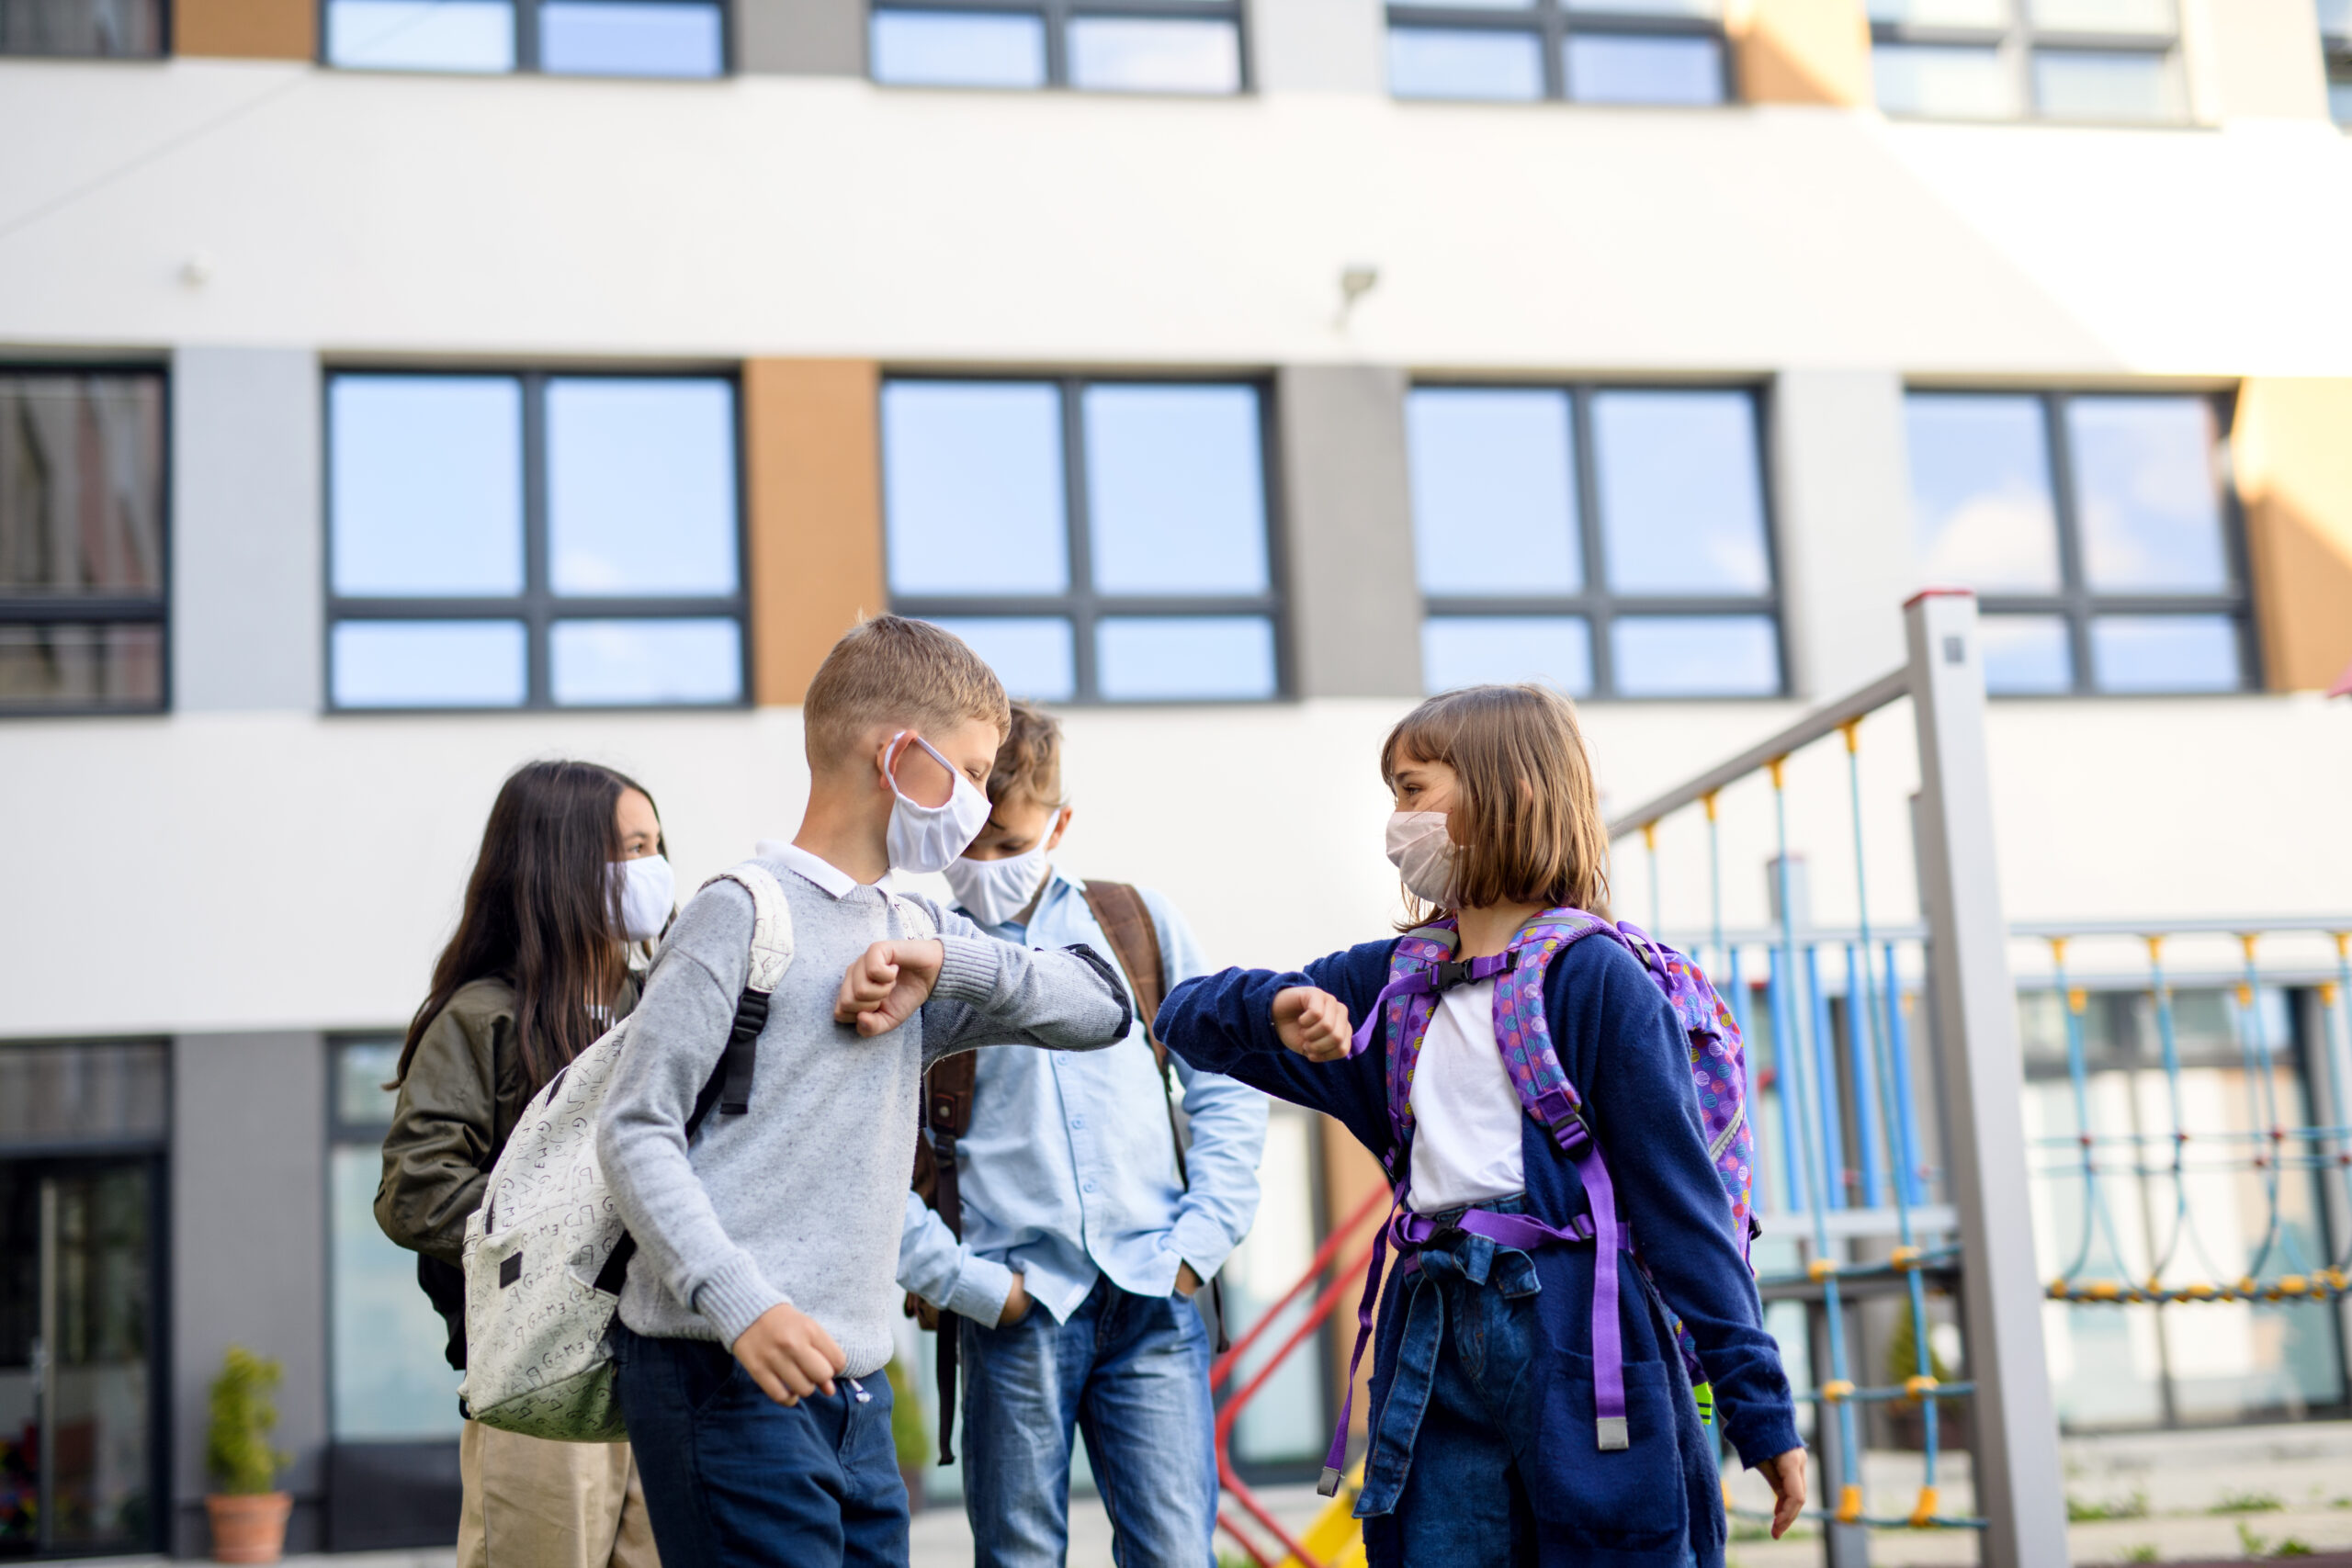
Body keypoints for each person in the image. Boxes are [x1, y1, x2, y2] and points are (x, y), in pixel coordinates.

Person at [1155, 684, 1808, 1568]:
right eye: (1392, 793)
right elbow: (1184, 1016)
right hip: (1430, 1340)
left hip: (1578, 1333)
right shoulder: (1386, 983)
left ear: (1508, 791)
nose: (1397, 819)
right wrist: (1279, 1005)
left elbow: (1681, 1209)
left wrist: (1758, 1410)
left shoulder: (1596, 979)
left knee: (1612, 1546)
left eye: (1414, 788)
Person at [596, 615, 1133, 1568]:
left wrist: (947, 958)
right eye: (967, 771)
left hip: (856, 1386)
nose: (976, 801)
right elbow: (635, 1130)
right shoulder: (737, 912)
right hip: (720, 1368)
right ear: (895, 755)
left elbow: (1102, 1005)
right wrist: (740, 1303)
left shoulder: (918, 931)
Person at [899, 701, 1266, 1568]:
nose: (987, 867)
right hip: (1016, 1304)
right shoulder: (918, 946)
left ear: (1061, 824)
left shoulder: (1134, 922)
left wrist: (1199, 1241)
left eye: (1011, 844)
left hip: (1153, 1292)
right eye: (970, 846)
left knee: (1177, 1553)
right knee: (1021, 1555)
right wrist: (970, 1284)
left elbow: (1226, 1080)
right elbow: (867, 1151)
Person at [377, 759, 674, 1568]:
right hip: (542, 1382)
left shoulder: (664, 1005)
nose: (651, 870)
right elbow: (417, 1191)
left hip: (662, 1373)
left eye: (655, 845)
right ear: (559, 866)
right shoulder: (480, 1018)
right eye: (629, 849)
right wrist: (574, 1239)